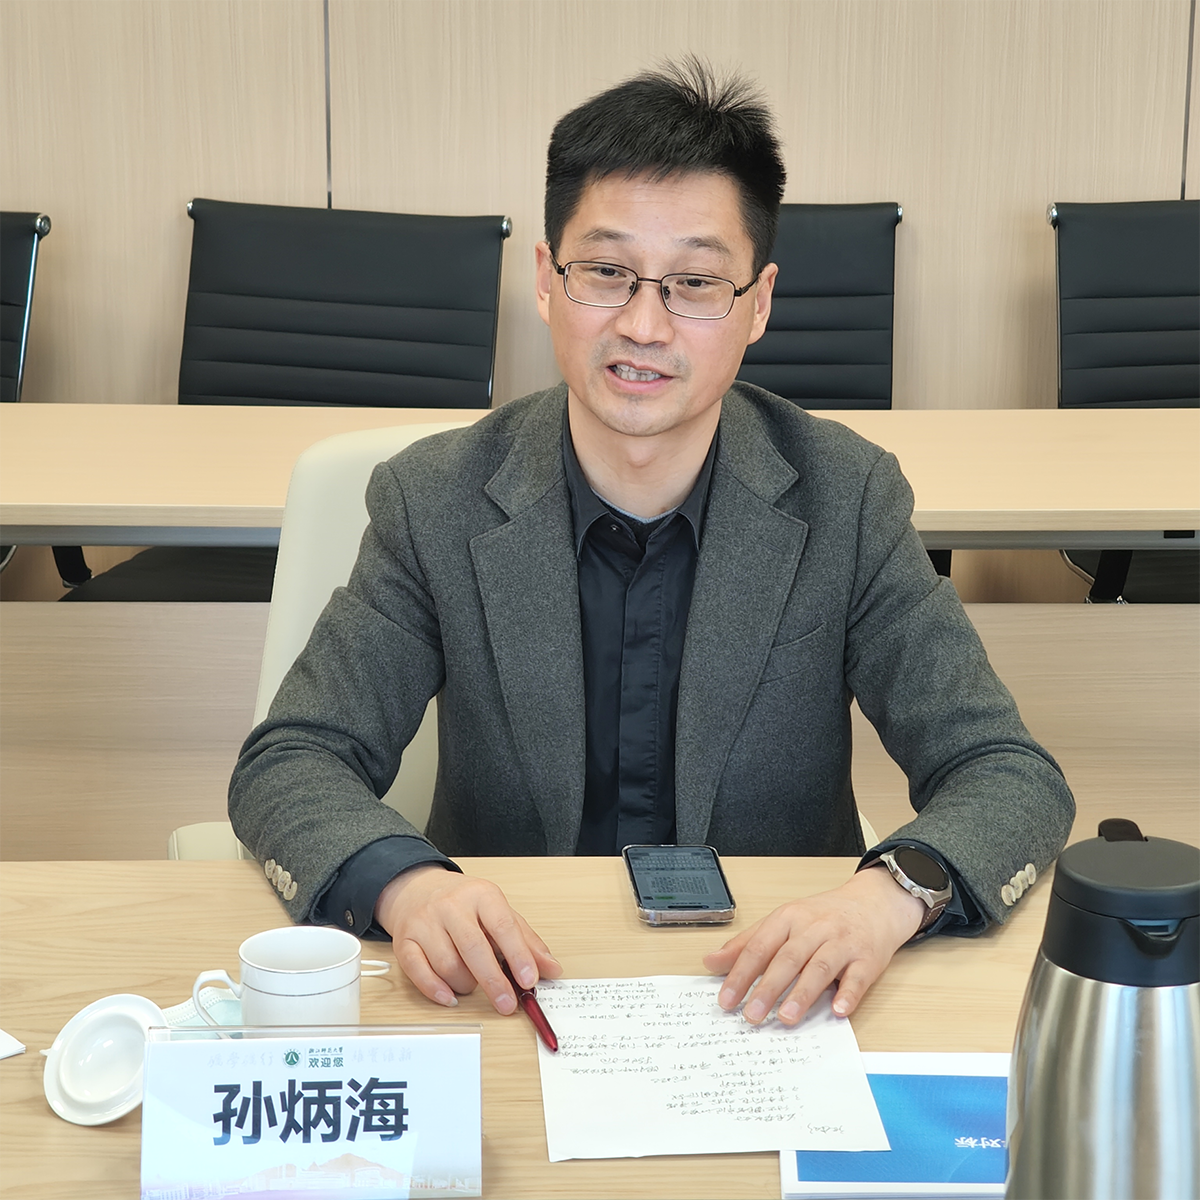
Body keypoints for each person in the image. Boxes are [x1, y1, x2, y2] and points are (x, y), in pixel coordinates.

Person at [229, 59, 1073, 1029]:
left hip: (765, 995)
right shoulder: (436, 500)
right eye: (606, 272)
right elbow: (293, 758)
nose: (642, 325)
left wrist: (886, 898)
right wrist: (407, 886)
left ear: (759, 303)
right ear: (545, 281)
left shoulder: (847, 498)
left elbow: (1007, 773)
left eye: (695, 283)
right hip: (513, 985)